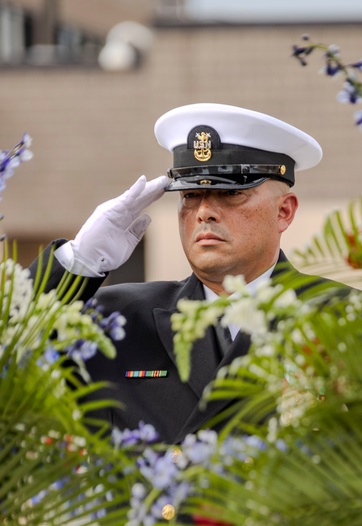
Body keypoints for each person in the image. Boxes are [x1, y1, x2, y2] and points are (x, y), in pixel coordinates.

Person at [31, 103, 331, 444]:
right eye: (191, 194)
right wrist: (76, 263)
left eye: (230, 193)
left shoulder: (346, 317)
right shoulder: (117, 319)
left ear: (284, 212)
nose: (204, 211)